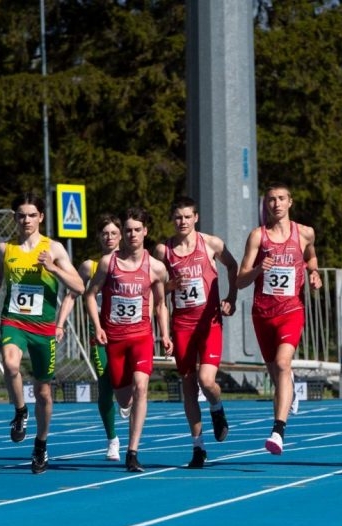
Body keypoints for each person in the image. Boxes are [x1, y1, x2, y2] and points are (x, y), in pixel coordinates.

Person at [0, 193, 84, 474]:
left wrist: (52, 268)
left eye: (31, 215)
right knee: (10, 364)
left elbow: (78, 286)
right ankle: (19, 411)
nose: (26, 220)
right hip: (14, 320)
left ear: (41, 217)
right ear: (14, 218)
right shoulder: (5, 248)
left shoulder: (54, 248)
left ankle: (41, 444)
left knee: (44, 393)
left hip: (43, 327)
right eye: (21, 215)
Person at [236, 183, 323, 455]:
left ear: (290, 202)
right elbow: (240, 280)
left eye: (281, 199)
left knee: (284, 364)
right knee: (276, 372)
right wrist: (260, 268)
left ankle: (278, 431)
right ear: (266, 205)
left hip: (291, 311)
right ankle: (290, 394)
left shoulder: (305, 233)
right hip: (263, 313)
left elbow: (311, 257)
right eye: (271, 200)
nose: (276, 204)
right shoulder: (257, 237)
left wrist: (314, 273)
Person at [84, 207, 173, 472]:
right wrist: (98, 326)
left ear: (145, 232)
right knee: (124, 399)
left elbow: (160, 305)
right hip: (114, 339)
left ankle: (132, 452)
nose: (132, 234)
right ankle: (128, 407)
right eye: (128, 230)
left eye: (137, 229)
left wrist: (165, 334)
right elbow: (90, 295)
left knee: (141, 386)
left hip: (141, 338)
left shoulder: (156, 268)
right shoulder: (107, 264)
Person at [153, 197, 238, 469]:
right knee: (188, 387)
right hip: (182, 326)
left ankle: (217, 407)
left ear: (196, 218)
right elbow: (153, 288)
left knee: (206, 379)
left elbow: (233, 265)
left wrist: (231, 298)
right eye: (178, 217)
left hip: (209, 322)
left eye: (187, 217)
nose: (183, 222)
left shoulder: (210, 243)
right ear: (172, 219)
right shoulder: (163, 251)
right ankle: (198, 448)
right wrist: (169, 287)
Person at [54, 213, 123, 460]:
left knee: (128, 384)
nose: (109, 237)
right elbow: (72, 296)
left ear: (121, 236)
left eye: (114, 233)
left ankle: (126, 402)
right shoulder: (89, 267)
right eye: (105, 233)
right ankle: (112, 439)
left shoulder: (131, 264)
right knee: (105, 385)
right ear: (98, 237)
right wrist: (60, 324)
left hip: (128, 334)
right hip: (101, 335)